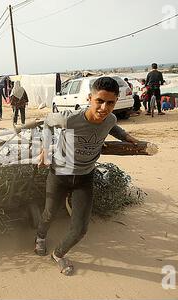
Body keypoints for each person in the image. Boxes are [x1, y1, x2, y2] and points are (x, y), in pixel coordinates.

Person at [35, 77, 139, 276]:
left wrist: (126, 137)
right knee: (50, 213)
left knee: (80, 229)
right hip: (60, 174)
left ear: (116, 101)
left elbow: (112, 126)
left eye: (110, 103)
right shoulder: (70, 118)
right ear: (90, 98)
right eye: (99, 101)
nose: (104, 107)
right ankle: (40, 237)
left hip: (84, 177)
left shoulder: (111, 119)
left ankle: (58, 254)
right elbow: (48, 123)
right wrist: (44, 150)